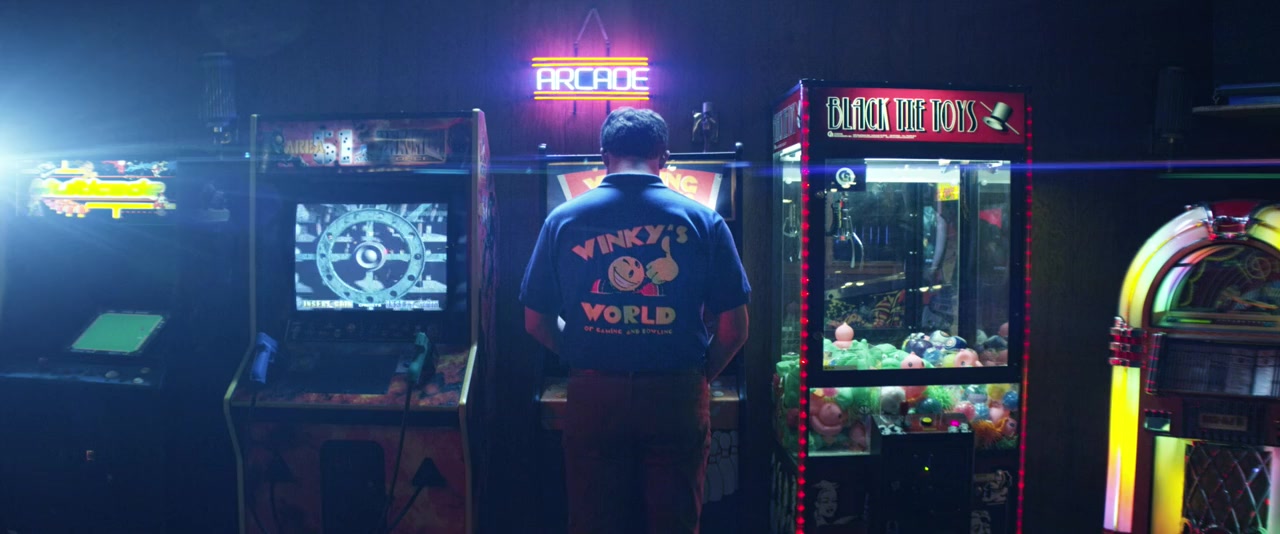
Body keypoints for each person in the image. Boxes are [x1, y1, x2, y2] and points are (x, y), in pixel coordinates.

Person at [521, 108, 750, 534]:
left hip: (594, 393)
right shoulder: (704, 220)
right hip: (676, 395)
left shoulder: (562, 220)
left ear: (602, 156)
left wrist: (582, 349)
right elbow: (735, 329)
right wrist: (698, 376)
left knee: (593, 523)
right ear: (665, 156)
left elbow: (535, 322)